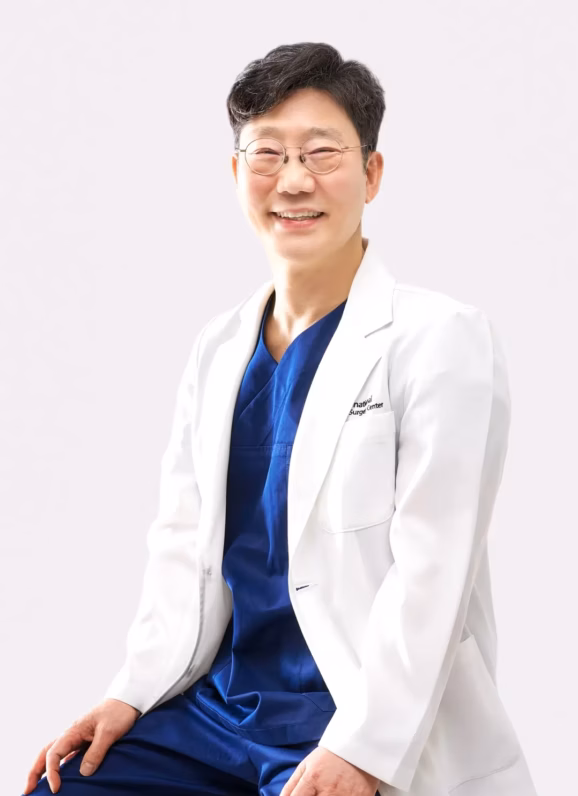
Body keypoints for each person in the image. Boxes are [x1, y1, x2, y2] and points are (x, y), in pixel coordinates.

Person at [22, 42, 538, 796]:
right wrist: (129, 693)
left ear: (372, 174)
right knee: (67, 786)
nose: (293, 180)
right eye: (267, 154)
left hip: (359, 713)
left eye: (322, 153)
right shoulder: (218, 347)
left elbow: (435, 573)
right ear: (236, 173)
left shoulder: (441, 339)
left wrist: (362, 750)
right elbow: (180, 546)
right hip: (224, 714)